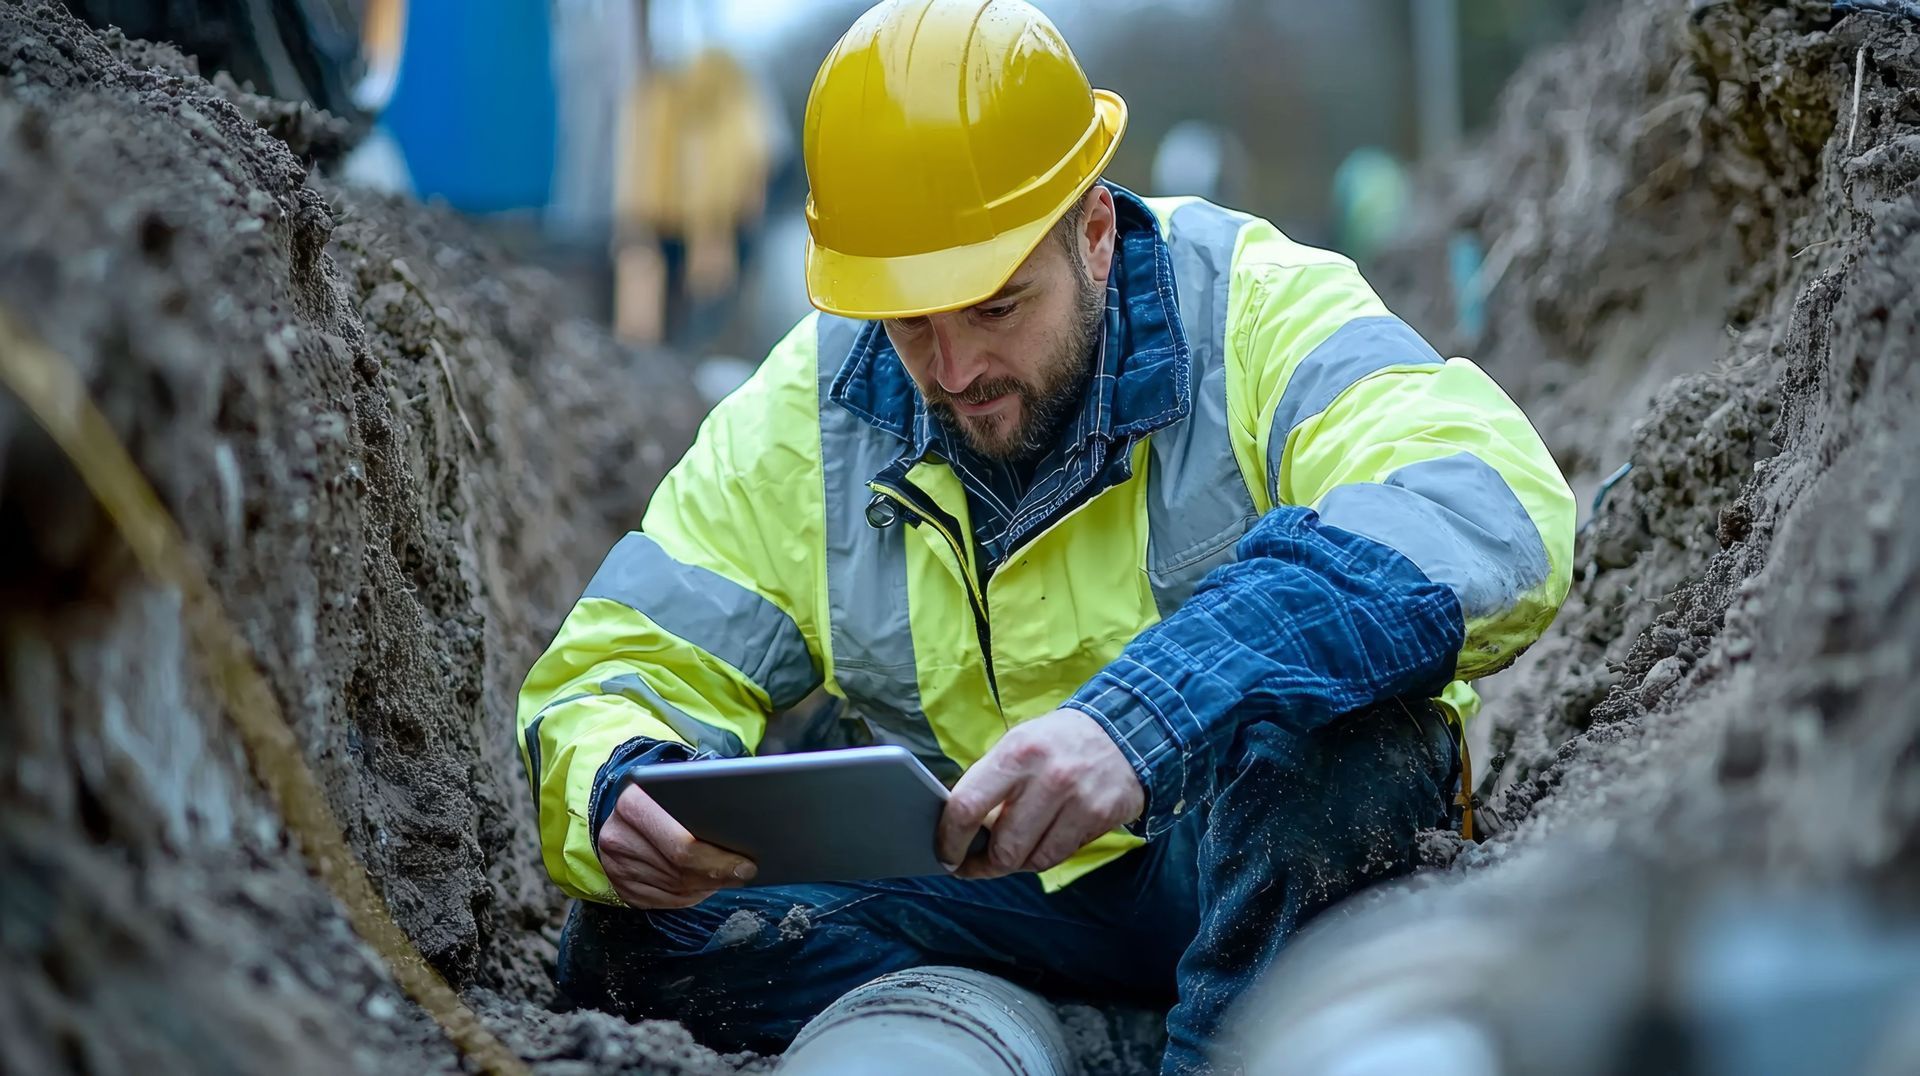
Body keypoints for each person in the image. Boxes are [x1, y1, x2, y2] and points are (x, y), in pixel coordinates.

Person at [515, 1, 1574, 1071]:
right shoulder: (808, 410)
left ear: (1097, 232)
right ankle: (1097, 1033)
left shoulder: (1256, 308)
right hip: (995, 891)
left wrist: (1143, 717)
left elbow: (1478, 500)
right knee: (633, 944)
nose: (955, 366)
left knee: (1345, 757)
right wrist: (620, 785)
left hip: (1247, 852)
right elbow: (617, 664)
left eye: (996, 306)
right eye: (910, 322)